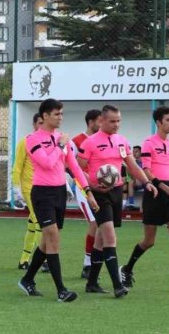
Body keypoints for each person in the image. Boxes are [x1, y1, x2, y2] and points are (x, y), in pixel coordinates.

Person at [17, 99, 97, 302]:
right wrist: (60, 145)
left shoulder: (65, 141)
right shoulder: (33, 139)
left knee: (46, 242)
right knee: (53, 237)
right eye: (56, 114)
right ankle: (61, 290)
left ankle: (27, 279)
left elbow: (74, 167)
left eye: (61, 114)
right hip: (42, 194)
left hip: (60, 192)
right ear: (44, 116)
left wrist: (87, 190)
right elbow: (46, 163)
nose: (60, 117)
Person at [78, 105, 157, 298]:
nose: (116, 125)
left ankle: (91, 283)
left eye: (119, 121)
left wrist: (147, 182)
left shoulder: (122, 141)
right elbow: (78, 169)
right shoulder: (90, 143)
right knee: (110, 237)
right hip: (99, 194)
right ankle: (117, 285)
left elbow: (132, 165)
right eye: (112, 121)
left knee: (100, 238)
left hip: (115, 192)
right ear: (101, 121)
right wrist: (92, 186)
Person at [120, 106, 169, 293]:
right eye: (168, 120)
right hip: (154, 192)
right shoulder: (148, 143)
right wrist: (164, 188)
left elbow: (168, 171)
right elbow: (146, 171)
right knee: (149, 241)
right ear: (159, 123)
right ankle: (127, 269)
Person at [71, 109, 101, 279]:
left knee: (102, 225)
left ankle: (94, 262)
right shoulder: (77, 141)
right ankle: (87, 264)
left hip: (101, 189)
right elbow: (71, 166)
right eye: (99, 121)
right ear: (90, 122)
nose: (102, 124)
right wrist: (84, 179)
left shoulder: (103, 139)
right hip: (83, 189)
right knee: (95, 223)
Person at [11, 114, 42, 269]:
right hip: (29, 189)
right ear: (34, 124)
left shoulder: (49, 142)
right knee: (41, 223)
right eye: (39, 123)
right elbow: (17, 167)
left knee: (33, 224)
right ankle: (46, 260)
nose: (42, 126)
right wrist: (16, 190)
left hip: (45, 188)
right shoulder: (25, 142)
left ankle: (24, 260)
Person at [124, 145, 145, 211]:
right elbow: (130, 174)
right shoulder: (133, 162)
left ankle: (143, 207)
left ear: (141, 152)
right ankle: (131, 204)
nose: (134, 153)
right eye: (133, 152)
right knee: (130, 182)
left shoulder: (145, 162)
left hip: (145, 182)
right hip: (135, 181)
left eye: (136, 151)